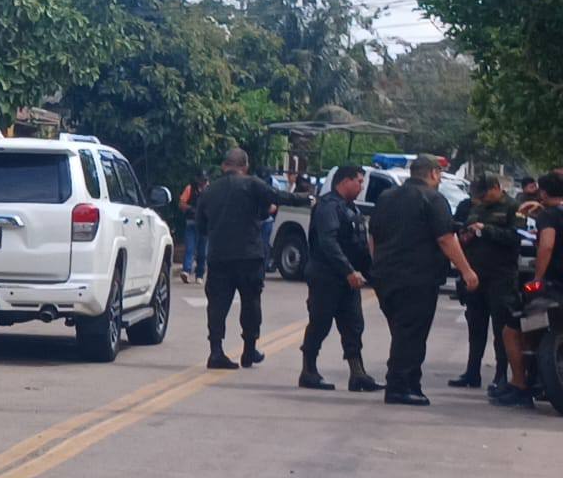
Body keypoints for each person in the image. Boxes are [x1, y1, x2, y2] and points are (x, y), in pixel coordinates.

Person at [368, 155, 480, 406]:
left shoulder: (386, 197)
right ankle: (400, 386)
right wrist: (466, 270)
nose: (439, 179)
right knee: (411, 334)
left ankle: (409, 383)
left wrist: (377, 265)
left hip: (385, 276)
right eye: (439, 174)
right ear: (432, 173)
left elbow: (373, 234)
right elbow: (445, 238)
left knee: (401, 332)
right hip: (416, 277)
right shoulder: (432, 199)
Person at [197, 148, 312, 369]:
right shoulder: (252, 184)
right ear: (245, 166)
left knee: (217, 305)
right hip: (249, 256)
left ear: (224, 166)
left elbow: (201, 226)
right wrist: (308, 198)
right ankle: (249, 350)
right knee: (251, 303)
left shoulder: (209, 192)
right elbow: (280, 197)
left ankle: (216, 351)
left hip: (219, 256)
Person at [297, 165, 384, 392]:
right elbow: (328, 243)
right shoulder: (328, 207)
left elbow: (359, 244)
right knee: (320, 322)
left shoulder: (350, 208)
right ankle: (308, 371)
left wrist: (371, 272)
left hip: (348, 280)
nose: (361, 186)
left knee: (354, 325)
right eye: (359, 181)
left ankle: (358, 374)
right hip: (327, 277)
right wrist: (348, 271)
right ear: (344, 181)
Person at [489, 173, 563, 408]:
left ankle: (520, 385)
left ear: (542, 192)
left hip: (553, 289)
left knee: (513, 329)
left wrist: (538, 279)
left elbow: (548, 245)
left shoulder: (549, 216)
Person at [448, 174, 521, 390]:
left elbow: (516, 237)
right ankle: (472, 372)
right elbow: (465, 233)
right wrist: (467, 235)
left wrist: (487, 230)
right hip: (476, 275)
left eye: (484, 194)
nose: (480, 198)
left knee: (501, 328)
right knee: (475, 325)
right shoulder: (476, 207)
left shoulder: (512, 207)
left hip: (501, 276)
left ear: (497, 188)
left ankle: (501, 375)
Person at [179, 172, 210, 284]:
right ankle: (186, 271)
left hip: (204, 225)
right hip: (191, 222)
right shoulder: (190, 189)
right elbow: (181, 203)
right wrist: (191, 209)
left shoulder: (210, 191)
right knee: (190, 248)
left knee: (203, 252)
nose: (203, 183)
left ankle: (200, 275)